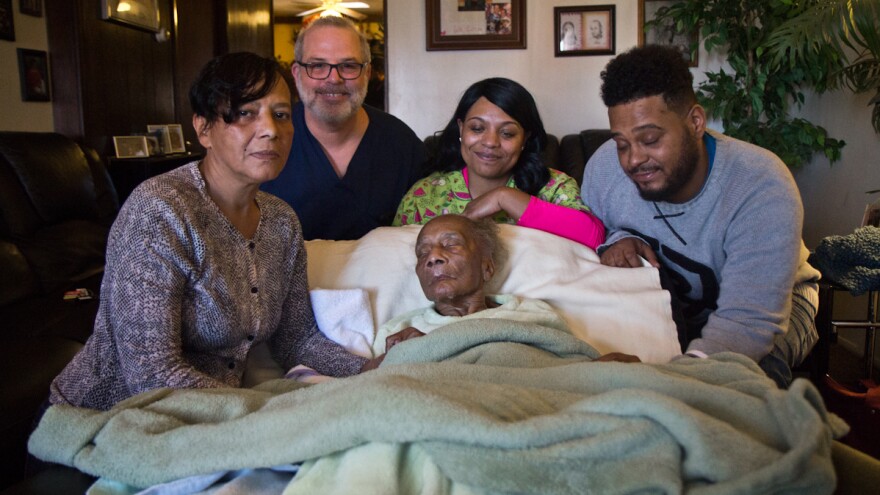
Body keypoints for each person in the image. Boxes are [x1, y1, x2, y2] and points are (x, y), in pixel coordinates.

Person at [47, 52, 390, 412]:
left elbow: (296, 339)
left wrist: (369, 369)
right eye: (244, 113)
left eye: (281, 114)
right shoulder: (160, 209)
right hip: (108, 417)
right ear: (203, 128)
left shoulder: (281, 221)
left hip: (214, 416)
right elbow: (150, 373)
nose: (270, 129)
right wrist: (258, 413)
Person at [581, 44, 821, 387]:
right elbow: (589, 234)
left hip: (773, 310)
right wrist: (617, 240)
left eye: (650, 139)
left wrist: (678, 382)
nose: (633, 160)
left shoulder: (759, 183)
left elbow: (749, 323)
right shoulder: (605, 169)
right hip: (665, 308)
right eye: (622, 143)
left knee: (742, 385)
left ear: (695, 121)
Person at [373, 214, 637, 364]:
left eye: (451, 245)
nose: (433, 258)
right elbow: (372, 383)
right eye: (423, 253)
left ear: (487, 268)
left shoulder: (531, 312)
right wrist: (407, 355)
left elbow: (567, 363)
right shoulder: (399, 331)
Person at [261, 16, 426, 240]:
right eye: (317, 66)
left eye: (348, 66)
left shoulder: (401, 144)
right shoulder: (266, 140)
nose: (334, 78)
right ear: (297, 74)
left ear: (367, 73)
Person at [393, 77, 605, 250]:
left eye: (507, 133)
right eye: (477, 128)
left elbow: (594, 237)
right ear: (461, 129)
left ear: (525, 139)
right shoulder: (425, 195)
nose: (490, 142)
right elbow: (392, 256)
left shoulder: (553, 186)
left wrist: (505, 197)